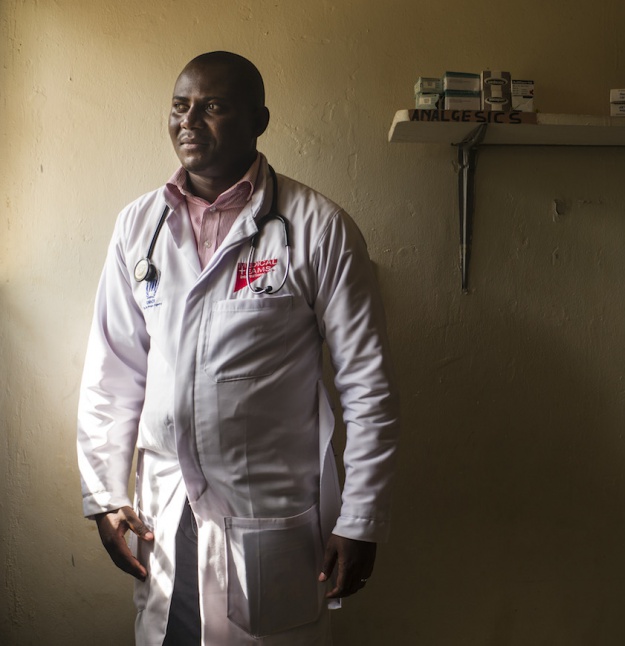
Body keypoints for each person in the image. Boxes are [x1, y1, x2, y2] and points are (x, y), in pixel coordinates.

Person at [77, 51, 401, 645]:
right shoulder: (138, 227)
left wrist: (361, 518)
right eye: (180, 105)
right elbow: (113, 370)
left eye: (214, 106)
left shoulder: (318, 228)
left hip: (269, 513)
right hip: (165, 512)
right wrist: (103, 492)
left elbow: (368, 386)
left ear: (260, 120)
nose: (189, 120)